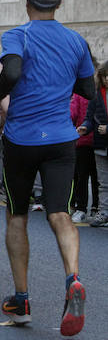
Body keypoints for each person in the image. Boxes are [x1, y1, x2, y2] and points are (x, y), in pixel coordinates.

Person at [0, 0, 94, 337]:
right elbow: (89, 89)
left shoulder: (18, 35)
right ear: (59, 4)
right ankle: (73, 280)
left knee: (16, 215)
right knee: (60, 213)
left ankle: (22, 299)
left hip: (23, 139)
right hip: (62, 140)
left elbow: (13, 69)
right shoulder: (76, 40)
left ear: (27, 2)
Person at [71, 58, 99, 222]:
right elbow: (73, 111)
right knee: (81, 177)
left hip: (99, 142)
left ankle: (97, 207)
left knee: (97, 179)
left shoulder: (100, 94)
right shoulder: (80, 93)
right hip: (82, 141)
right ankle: (80, 207)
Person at [81, 62, 108, 227]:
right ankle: (103, 211)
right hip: (100, 145)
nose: (107, 79)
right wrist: (85, 127)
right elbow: (89, 117)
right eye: (104, 76)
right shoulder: (96, 95)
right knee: (103, 182)